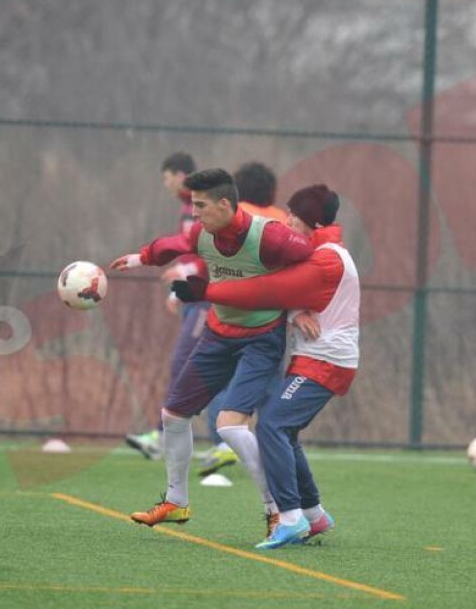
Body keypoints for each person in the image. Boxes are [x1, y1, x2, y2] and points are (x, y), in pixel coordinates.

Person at [108, 169, 313, 532]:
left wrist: (302, 308)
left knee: (230, 427)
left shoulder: (268, 236)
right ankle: (176, 503)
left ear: (224, 204)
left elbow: (310, 260)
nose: (196, 213)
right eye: (193, 205)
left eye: (201, 206)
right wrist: (138, 258)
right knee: (173, 415)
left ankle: (275, 509)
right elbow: (172, 245)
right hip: (218, 336)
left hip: (261, 340)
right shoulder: (202, 233)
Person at [173, 184, 355, 548]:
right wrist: (298, 310)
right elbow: (291, 292)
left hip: (327, 361)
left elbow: (267, 291)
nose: (286, 220)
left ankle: (289, 517)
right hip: (313, 359)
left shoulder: (327, 258)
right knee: (282, 430)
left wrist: (205, 292)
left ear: (312, 222)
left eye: (294, 216)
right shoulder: (317, 253)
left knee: (271, 424)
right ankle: (315, 516)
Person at [124, 152, 221, 461]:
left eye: (166, 177)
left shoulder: (198, 205)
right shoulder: (189, 206)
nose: (165, 184)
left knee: (186, 364)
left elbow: (205, 251)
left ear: (180, 175)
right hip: (198, 296)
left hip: (207, 299)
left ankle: (177, 437)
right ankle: (183, 437)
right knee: (196, 366)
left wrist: (186, 275)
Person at [195, 161, 288, 476]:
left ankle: (225, 442)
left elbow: (205, 256)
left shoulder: (234, 218)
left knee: (224, 381)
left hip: (231, 320)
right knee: (269, 383)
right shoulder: (281, 221)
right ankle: (274, 441)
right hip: (272, 321)